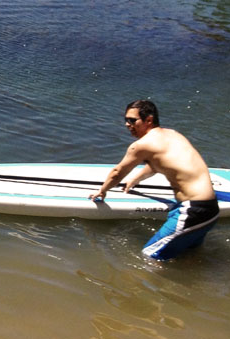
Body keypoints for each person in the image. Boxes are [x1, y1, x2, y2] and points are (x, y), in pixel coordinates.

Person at [89, 100, 219, 260]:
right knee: (190, 256)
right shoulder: (173, 135)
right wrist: (136, 179)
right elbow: (158, 165)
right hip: (211, 210)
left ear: (149, 120)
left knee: (149, 258)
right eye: (125, 120)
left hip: (192, 212)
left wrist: (103, 190)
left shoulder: (141, 145)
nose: (127, 125)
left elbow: (117, 172)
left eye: (132, 120)